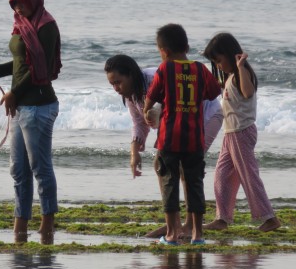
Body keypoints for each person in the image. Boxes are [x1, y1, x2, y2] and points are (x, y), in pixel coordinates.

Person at [0, 0, 62, 244]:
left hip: (40, 107)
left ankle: (47, 225)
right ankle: (20, 225)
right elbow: (21, 62)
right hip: (21, 107)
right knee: (18, 170)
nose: (17, 9)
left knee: (40, 168)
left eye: (21, 2)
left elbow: (41, 70)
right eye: (13, 4)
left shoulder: (46, 27)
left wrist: (14, 92)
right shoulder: (21, 24)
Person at [104, 55, 223, 239]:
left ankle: (189, 226)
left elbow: (174, 105)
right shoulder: (131, 95)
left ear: (131, 75)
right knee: (163, 166)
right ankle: (174, 224)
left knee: (186, 168)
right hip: (178, 127)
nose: (116, 89)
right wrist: (134, 153)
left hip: (206, 116)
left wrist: (154, 112)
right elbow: (139, 123)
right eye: (112, 84)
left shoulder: (154, 78)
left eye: (118, 82)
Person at [142, 23, 222, 245]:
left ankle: (171, 234)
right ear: (187, 47)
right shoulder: (200, 69)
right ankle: (198, 234)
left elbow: (151, 98)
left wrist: (146, 111)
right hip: (194, 139)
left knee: (169, 183)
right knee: (195, 184)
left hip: (169, 138)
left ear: (163, 52)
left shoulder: (164, 69)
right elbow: (214, 91)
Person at [202, 32, 281, 232]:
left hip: (241, 132)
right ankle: (222, 218)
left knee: (248, 175)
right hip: (230, 134)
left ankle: (269, 218)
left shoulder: (241, 73)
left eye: (219, 61)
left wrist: (240, 66)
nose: (218, 65)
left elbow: (247, 92)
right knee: (221, 174)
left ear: (230, 55)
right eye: (215, 62)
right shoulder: (230, 78)